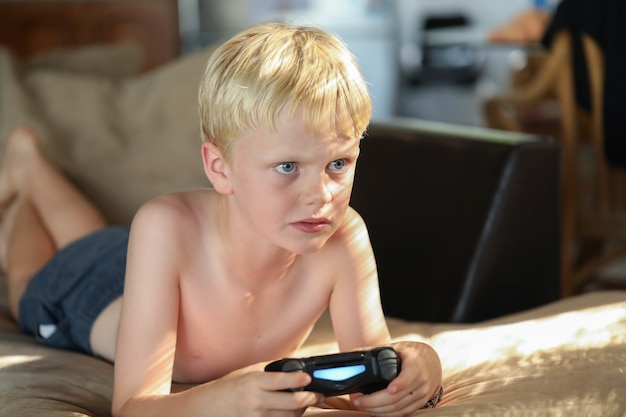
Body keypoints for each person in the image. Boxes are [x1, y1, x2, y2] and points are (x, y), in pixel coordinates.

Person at [0, 22, 443, 417]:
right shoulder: (163, 225)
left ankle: (29, 167)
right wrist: (223, 401)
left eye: (339, 164)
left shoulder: (345, 237)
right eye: (288, 167)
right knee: (31, 280)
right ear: (219, 168)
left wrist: (421, 364)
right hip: (97, 287)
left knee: (91, 237)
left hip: (158, 265)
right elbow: (133, 407)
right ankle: (27, 176)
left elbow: (370, 369)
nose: (321, 195)